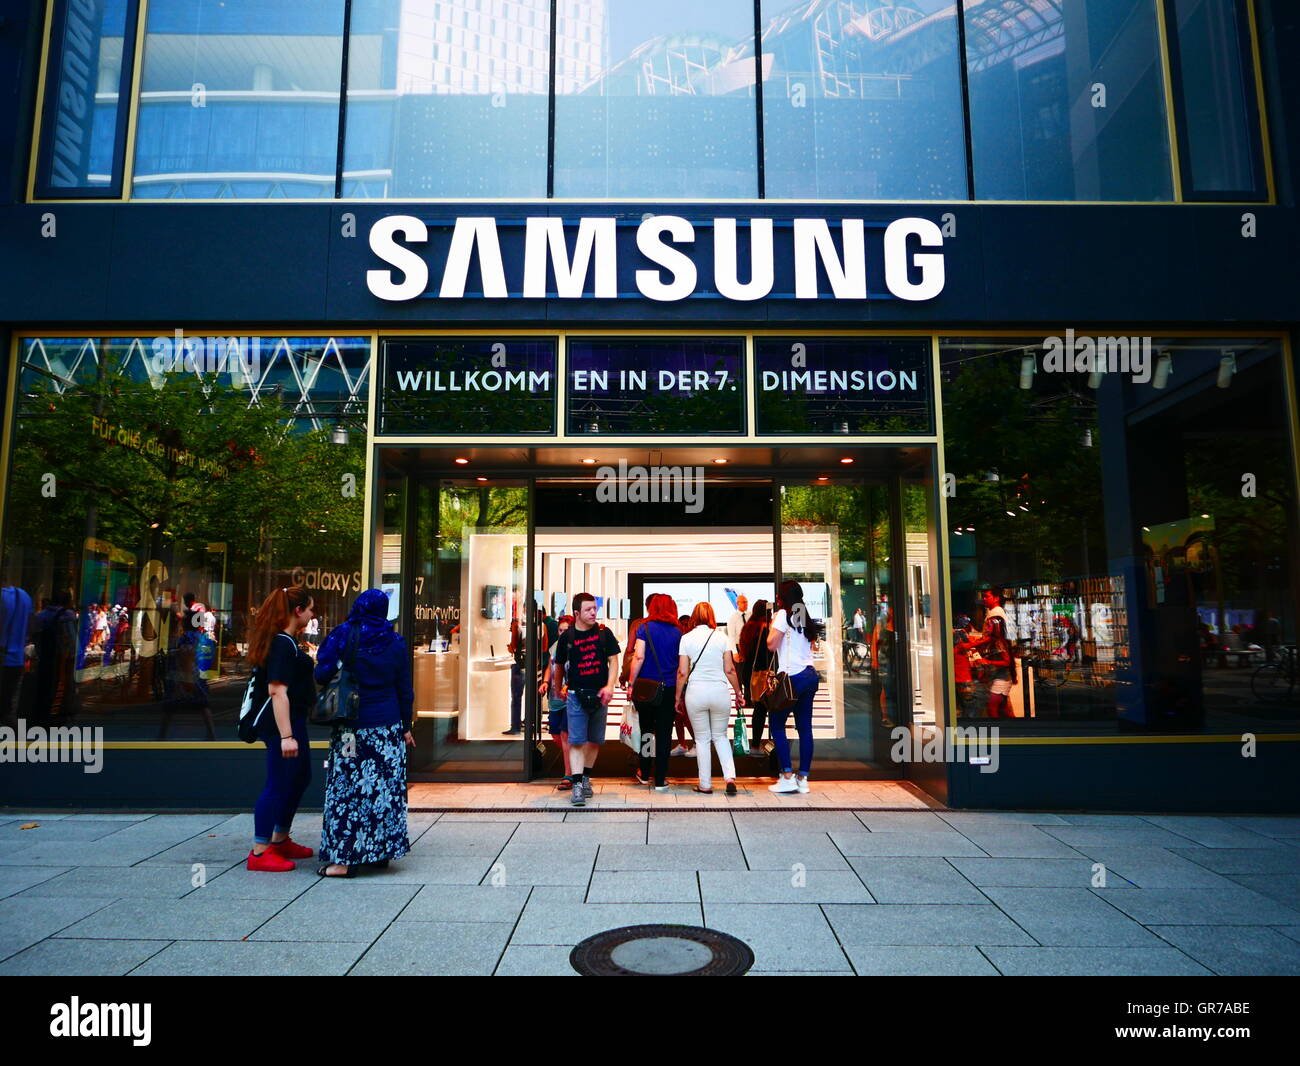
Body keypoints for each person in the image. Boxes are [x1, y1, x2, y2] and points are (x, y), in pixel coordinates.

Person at [314, 589, 415, 877]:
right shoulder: (394, 642)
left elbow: (322, 674)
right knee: (383, 790)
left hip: (351, 727)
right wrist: (406, 727)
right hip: (386, 727)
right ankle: (379, 852)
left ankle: (344, 861)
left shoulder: (344, 634)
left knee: (348, 790)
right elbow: (404, 689)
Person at [245, 586, 317, 872]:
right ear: (297, 611)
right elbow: (277, 692)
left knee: (299, 777)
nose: (313, 614)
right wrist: (286, 736)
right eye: (310, 609)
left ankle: (280, 838)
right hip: (281, 726)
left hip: (293, 721)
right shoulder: (282, 644)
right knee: (277, 783)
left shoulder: (286, 641)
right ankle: (260, 852)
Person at [550, 592, 620, 806]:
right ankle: (578, 785)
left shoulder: (603, 633)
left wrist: (609, 686)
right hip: (575, 696)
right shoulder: (567, 637)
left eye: (595, 608)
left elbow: (614, 661)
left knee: (595, 740)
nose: (593, 613)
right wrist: (558, 687)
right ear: (577, 613)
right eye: (588, 609)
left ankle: (586, 777)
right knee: (577, 740)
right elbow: (559, 664)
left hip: (600, 696)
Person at [676, 601, 743, 795]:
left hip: (696, 692)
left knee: (702, 739)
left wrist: (677, 696)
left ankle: (705, 784)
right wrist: (738, 693)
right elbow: (730, 669)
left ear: (694, 617)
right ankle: (730, 777)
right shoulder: (722, 638)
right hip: (719, 692)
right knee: (720, 736)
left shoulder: (686, 638)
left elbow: (682, 672)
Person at [766, 580, 823, 795]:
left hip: (791, 678)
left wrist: (772, 625)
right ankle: (803, 779)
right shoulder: (805, 615)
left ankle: (787, 776)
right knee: (805, 728)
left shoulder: (782, 615)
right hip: (809, 675)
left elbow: (771, 644)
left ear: (782, 597)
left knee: (777, 725)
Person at [626, 594, 683, 792]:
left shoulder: (645, 628)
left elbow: (639, 656)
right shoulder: (678, 631)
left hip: (646, 688)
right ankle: (660, 778)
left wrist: (631, 683)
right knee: (665, 733)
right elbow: (681, 664)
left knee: (647, 731)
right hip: (668, 688)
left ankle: (643, 771)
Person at [32, 590, 78, 724]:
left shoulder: (41, 615)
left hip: (45, 657)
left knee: (44, 686)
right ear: (67, 601)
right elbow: (72, 640)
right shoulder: (69, 615)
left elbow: (34, 636)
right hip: (62, 659)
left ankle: (42, 715)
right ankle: (58, 714)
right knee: (61, 685)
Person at [541, 614, 574, 789]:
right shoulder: (554, 647)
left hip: (569, 697)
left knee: (565, 735)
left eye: (566, 630)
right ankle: (574, 758)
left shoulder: (574, 647)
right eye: (560, 630)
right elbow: (549, 666)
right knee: (555, 734)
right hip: (554, 698)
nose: (562, 633)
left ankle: (569, 774)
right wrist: (545, 682)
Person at [738, 599, 773, 749]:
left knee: (758, 708)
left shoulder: (748, 627)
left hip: (750, 672)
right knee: (764, 709)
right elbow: (768, 653)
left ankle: (755, 744)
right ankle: (758, 744)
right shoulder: (764, 629)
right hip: (763, 673)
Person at [0, 584, 33, 727]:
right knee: (9, 700)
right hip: (17, 658)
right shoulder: (25, 596)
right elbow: (31, 625)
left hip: (3, 655)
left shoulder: (3, 597)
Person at [974, 616, 1017, 718]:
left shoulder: (999, 642)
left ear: (996, 627)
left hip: (1001, 679)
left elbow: (1007, 662)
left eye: (989, 625)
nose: (986, 628)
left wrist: (988, 661)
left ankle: (999, 732)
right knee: (1004, 709)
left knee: (992, 709)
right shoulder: (997, 641)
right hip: (1002, 678)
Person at [952, 615, 980, 718]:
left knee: (962, 706)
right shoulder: (958, 635)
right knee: (968, 707)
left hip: (960, 676)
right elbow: (967, 646)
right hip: (963, 677)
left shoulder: (957, 634)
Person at [725, 593, 749, 662]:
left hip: (750, 647)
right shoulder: (733, 618)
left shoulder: (750, 615)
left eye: (746, 602)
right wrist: (734, 652)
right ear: (738, 603)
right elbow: (731, 636)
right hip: (739, 647)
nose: (746, 604)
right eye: (744, 602)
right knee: (741, 670)